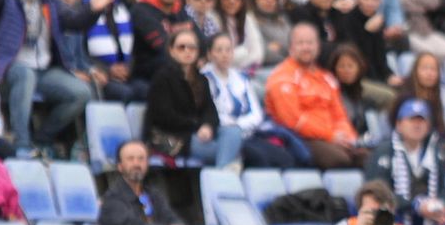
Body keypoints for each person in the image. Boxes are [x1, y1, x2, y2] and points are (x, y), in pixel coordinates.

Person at [0, 0, 97, 158]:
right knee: (25, 75)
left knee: (82, 93)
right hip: (8, 69)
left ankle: (43, 138)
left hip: (43, 68)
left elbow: (74, 20)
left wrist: (94, 8)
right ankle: (22, 143)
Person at [264, 21, 367, 168]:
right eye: (301, 43)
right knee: (340, 160)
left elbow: (340, 116)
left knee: (369, 158)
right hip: (301, 139)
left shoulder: (326, 78)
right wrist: (330, 136)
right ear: (291, 47)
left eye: (310, 43)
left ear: (318, 46)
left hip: (332, 138)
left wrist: (348, 137)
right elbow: (293, 121)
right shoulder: (282, 77)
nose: (306, 47)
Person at [146, 27, 243, 168]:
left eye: (192, 47)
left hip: (198, 135)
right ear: (172, 51)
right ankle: (222, 175)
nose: (187, 51)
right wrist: (198, 126)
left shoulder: (201, 79)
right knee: (231, 152)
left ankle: (220, 174)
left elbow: (211, 112)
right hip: (172, 138)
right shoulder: (162, 78)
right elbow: (164, 116)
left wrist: (208, 126)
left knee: (233, 131)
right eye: (181, 47)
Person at [201, 32, 296, 168]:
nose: (224, 54)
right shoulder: (204, 78)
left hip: (248, 133)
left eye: (228, 50)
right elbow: (212, 115)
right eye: (219, 50)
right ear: (209, 54)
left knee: (285, 158)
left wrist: (240, 125)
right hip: (223, 137)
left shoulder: (240, 77)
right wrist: (235, 128)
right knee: (259, 158)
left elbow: (256, 113)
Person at [366, 99, 445, 225]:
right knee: (385, 215)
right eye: (411, 120)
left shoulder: (436, 152)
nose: (417, 125)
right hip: (397, 209)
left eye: (421, 121)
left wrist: (439, 205)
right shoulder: (384, 151)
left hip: (428, 212)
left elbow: (442, 188)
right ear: (398, 124)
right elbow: (377, 191)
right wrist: (415, 205)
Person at [80, 0, 142, 100]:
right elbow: (79, 52)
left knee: (147, 90)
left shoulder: (123, 9)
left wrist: (127, 69)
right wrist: (108, 70)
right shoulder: (80, 11)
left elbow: (134, 48)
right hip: (97, 73)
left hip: (125, 72)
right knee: (125, 93)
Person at [131, 0, 193, 83]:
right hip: (146, 74)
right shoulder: (141, 10)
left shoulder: (181, 11)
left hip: (177, 68)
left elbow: (199, 40)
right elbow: (162, 46)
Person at [388, 50, 445, 134]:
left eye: (434, 69)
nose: (429, 73)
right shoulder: (405, 98)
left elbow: (440, 128)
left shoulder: (436, 97)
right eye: (424, 68)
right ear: (415, 71)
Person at [215, 0, 264, 70]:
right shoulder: (212, 19)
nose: (231, 0)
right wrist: (244, 52)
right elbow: (220, 57)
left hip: (246, 72)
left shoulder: (247, 19)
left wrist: (239, 57)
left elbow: (258, 54)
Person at [250, 0, 291, 69]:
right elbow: (262, 53)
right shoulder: (249, 20)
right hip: (263, 71)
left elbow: (295, 47)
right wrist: (286, 51)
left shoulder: (283, 19)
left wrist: (280, 48)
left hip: (288, 68)